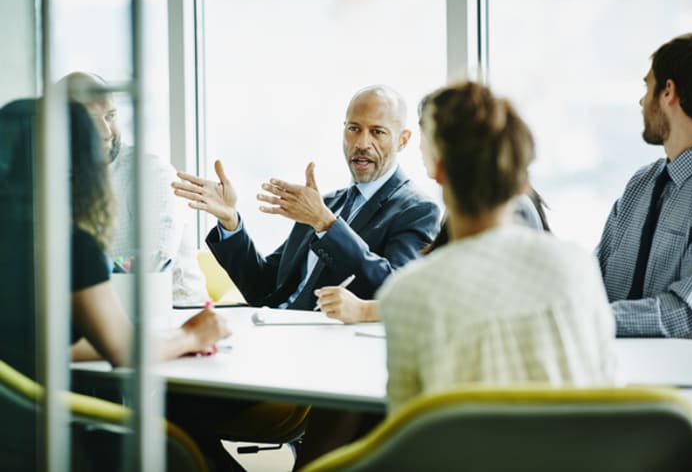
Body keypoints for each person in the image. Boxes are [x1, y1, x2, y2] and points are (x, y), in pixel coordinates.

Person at [0, 98, 230, 469]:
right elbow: (121, 349)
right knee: (191, 452)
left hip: (15, 436)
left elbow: (34, 343)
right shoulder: (69, 243)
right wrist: (192, 336)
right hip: (60, 437)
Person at [377, 81, 616, 413]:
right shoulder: (577, 266)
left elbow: (407, 431)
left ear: (439, 171)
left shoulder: (409, 295)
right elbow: (608, 391)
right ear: (520, 174)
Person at [172, 84, 441, 310]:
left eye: (378, 132)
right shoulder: (325, 203)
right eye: (354, 128)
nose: (362, 143)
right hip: (276, 330)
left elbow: (395, 293)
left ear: (403, 140)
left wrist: (325, 223)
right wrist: (231, 222)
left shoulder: (416, 209)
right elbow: (263, 287)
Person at [315, 94, 551, 323]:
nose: (420, 146)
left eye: (426, 134)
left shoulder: (510, 210)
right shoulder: (467, 209)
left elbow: (465, 302)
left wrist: (364, 311)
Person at [596, 33, 692, 340]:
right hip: (619, 372)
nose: (642, 101)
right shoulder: (641, 185)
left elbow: (686, 316)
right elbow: (594, 280)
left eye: (647, 86)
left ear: (668, 93)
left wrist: (586, 320)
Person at [61, 71, 209, 306]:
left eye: (110, 116)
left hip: (176, 316)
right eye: (90, 120)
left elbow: (150, 266)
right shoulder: (50, 177)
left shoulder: (150, 174)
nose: (106, 132)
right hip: (94, 319)